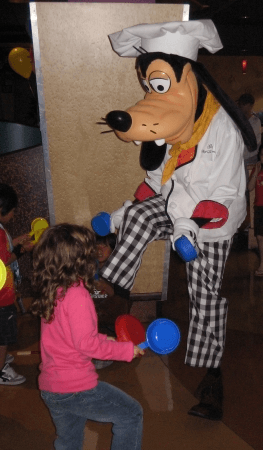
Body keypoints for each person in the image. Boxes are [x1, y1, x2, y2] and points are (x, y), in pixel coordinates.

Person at [101, 20, 257, 421]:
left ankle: (212, 379)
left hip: (211, 222)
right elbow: (157, 180)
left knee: (204, 297)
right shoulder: (175, 123)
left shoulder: (221, 128)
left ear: (187, 78)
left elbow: (224, 195)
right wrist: (120, 214)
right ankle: (112, 290)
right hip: (175, 207)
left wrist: (190, 229)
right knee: (137, 217)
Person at [31, 223, 144, 450]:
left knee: (69, 442)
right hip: (75, 387)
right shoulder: (77, 294)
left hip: (52, 387)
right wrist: (125, 350)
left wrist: (107, 340)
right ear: (80, 260)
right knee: (131, 413)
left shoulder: (54, 289)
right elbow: (85, 344)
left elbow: (71, 337)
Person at [0, 184, 32, 385]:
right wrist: (23, 250)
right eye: (12, 210)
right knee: (4, 335)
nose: (14, 214)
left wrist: (19, 240)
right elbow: (2, 260)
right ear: (1, 211)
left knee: (1, 331)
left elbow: (2, 248)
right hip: (1, 296)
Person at [93, 233, 132, 330]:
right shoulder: (86, 270)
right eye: (96, 246)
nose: (99, 250)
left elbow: (123, 308)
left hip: (111, 327)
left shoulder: (121, 273)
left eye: (104, 246)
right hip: (89, 325)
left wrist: (107, 288)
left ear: (113, 250)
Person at [248, 144, 263, 276]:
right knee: (259, 237)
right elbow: (250, 187)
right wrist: (256, 173)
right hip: (259, 206)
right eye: (262, 155)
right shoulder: (257, 168)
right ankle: (262, 265)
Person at [237, 94, 261, 175]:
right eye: (240, 103)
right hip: (239, 157)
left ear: (250, 106)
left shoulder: (255, 121)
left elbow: (249, 140)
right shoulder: (238, 120)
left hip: (250, 158)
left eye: (243, 104)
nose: (240, 106)